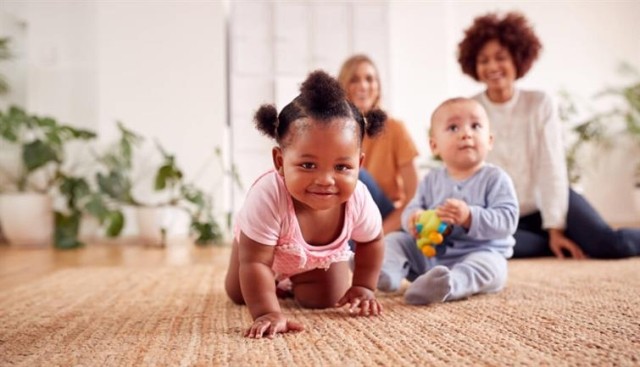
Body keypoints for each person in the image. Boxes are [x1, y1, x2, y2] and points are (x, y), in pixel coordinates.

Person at [457, 11, 640, 259]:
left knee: (610, 246)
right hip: (506, 214)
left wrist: (556, 227)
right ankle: (554, 241)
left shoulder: (539, 103)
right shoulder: (469, 109)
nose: (492, 67)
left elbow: (551, 165)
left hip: (551, 200)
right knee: (494, 250)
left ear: (518, 59)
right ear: (473, 65)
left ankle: (560, 236)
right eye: (483, 60)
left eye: (500, 58)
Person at [224, 70, 387, 339]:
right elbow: (255, 263)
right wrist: (267, 312)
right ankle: (268, 281)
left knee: (326, 298)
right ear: (280, 162)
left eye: (342, 166)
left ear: (359, 164)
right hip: (260, 251)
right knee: (240, 293)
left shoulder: (359, 197)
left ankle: (293, 281)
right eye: (308, 165)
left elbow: (372, 240)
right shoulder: (268, 196)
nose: (325, 180)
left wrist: (364, 285)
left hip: (315, 261)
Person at [377, 97, 519, 305]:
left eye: (475, 126)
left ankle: (448, 284)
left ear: (489, 140)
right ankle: (387, 272)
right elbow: (414, 207)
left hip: (479, 252)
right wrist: (412, 221)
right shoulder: (431, 179)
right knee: (395, 240)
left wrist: (469, 216)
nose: (466, 133)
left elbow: (507, 220)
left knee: (491, 268)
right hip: (431, 254)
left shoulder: (496, 178)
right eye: (453, 128)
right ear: (434, 146)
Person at [338, 55, 419, 234]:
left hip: (386, 216)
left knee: (356, 176)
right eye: (354, 79)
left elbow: (415, 197)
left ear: (378, 87)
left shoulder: (395, 129)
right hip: (350, 219)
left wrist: (379, 234)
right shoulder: (334, 133)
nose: (363, 86)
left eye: (369, 79)